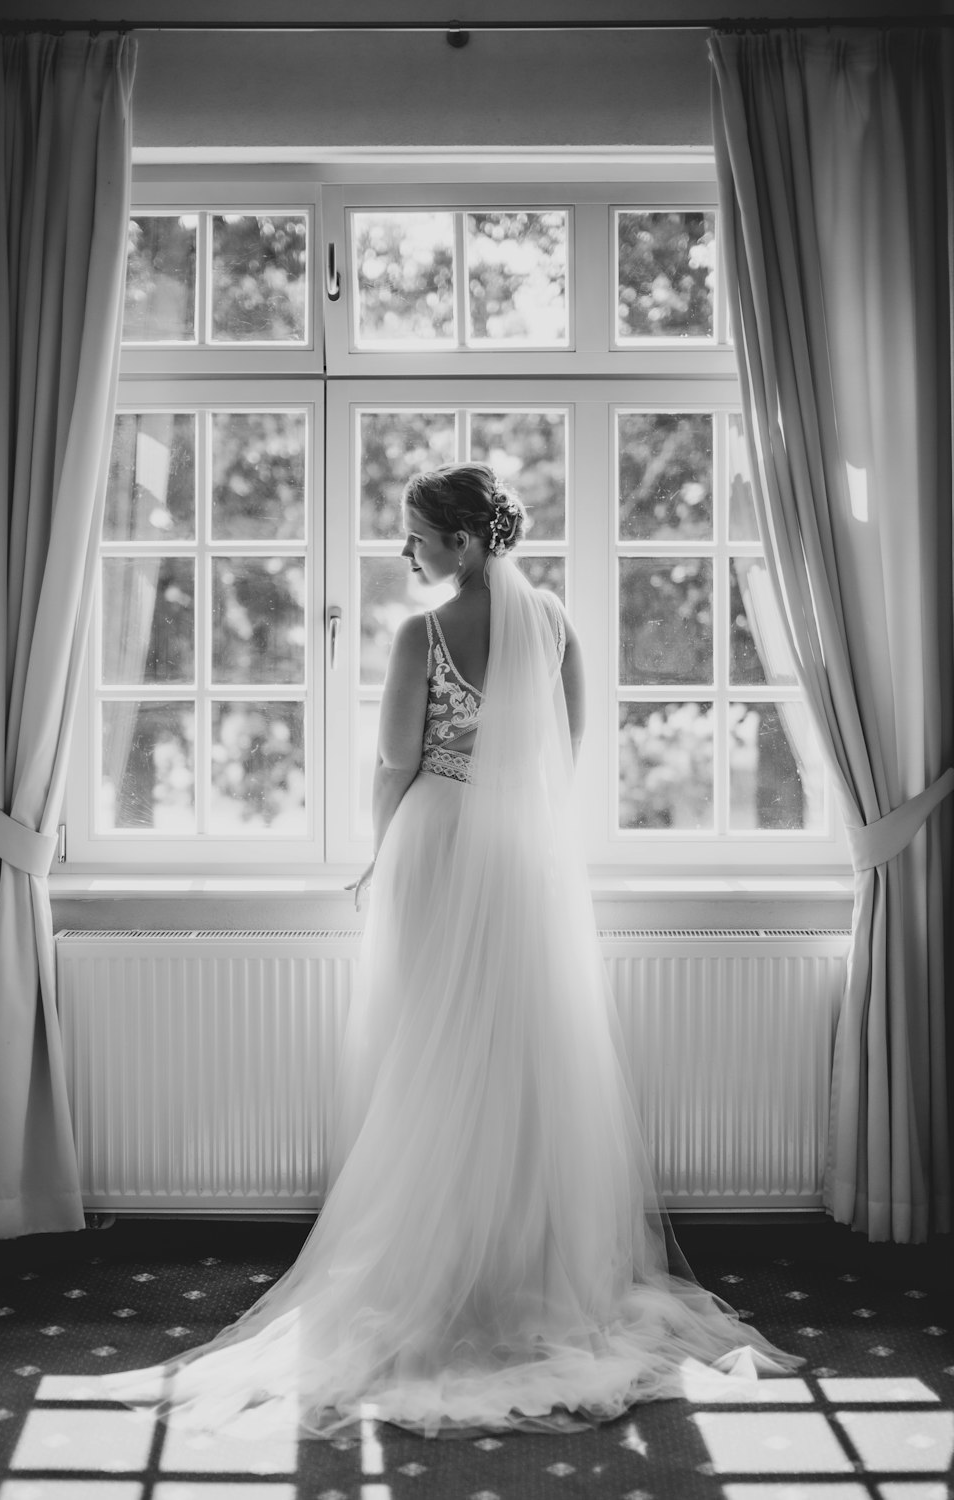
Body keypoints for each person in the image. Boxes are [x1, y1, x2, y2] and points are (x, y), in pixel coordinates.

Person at [105, 464, 801, 1439]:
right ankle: (524, 1267)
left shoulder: (420, 634)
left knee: (430, 1051)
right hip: (525, 860)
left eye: (417, 534)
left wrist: (377, 854)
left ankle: (440, 1268)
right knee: (520, 1056)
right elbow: (565, 753)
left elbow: (395, 759)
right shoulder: (554, 624)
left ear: (465, 542)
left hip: (437, 845)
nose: (405, 550)